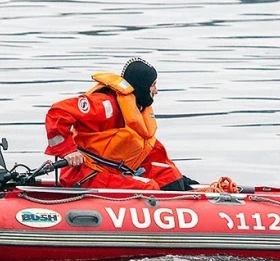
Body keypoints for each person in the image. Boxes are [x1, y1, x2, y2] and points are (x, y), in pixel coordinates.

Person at [44, 57, 195, 190]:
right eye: (153, 85)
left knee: (168, 173)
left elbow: (150, 151)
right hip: (87, 173)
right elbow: (58, 112)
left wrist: (181, 183)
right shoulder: (105, 104)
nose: (156, 91)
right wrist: (68, 151)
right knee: (148, 188)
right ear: (142, 86)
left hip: (111, 170)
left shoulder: (136, 109)